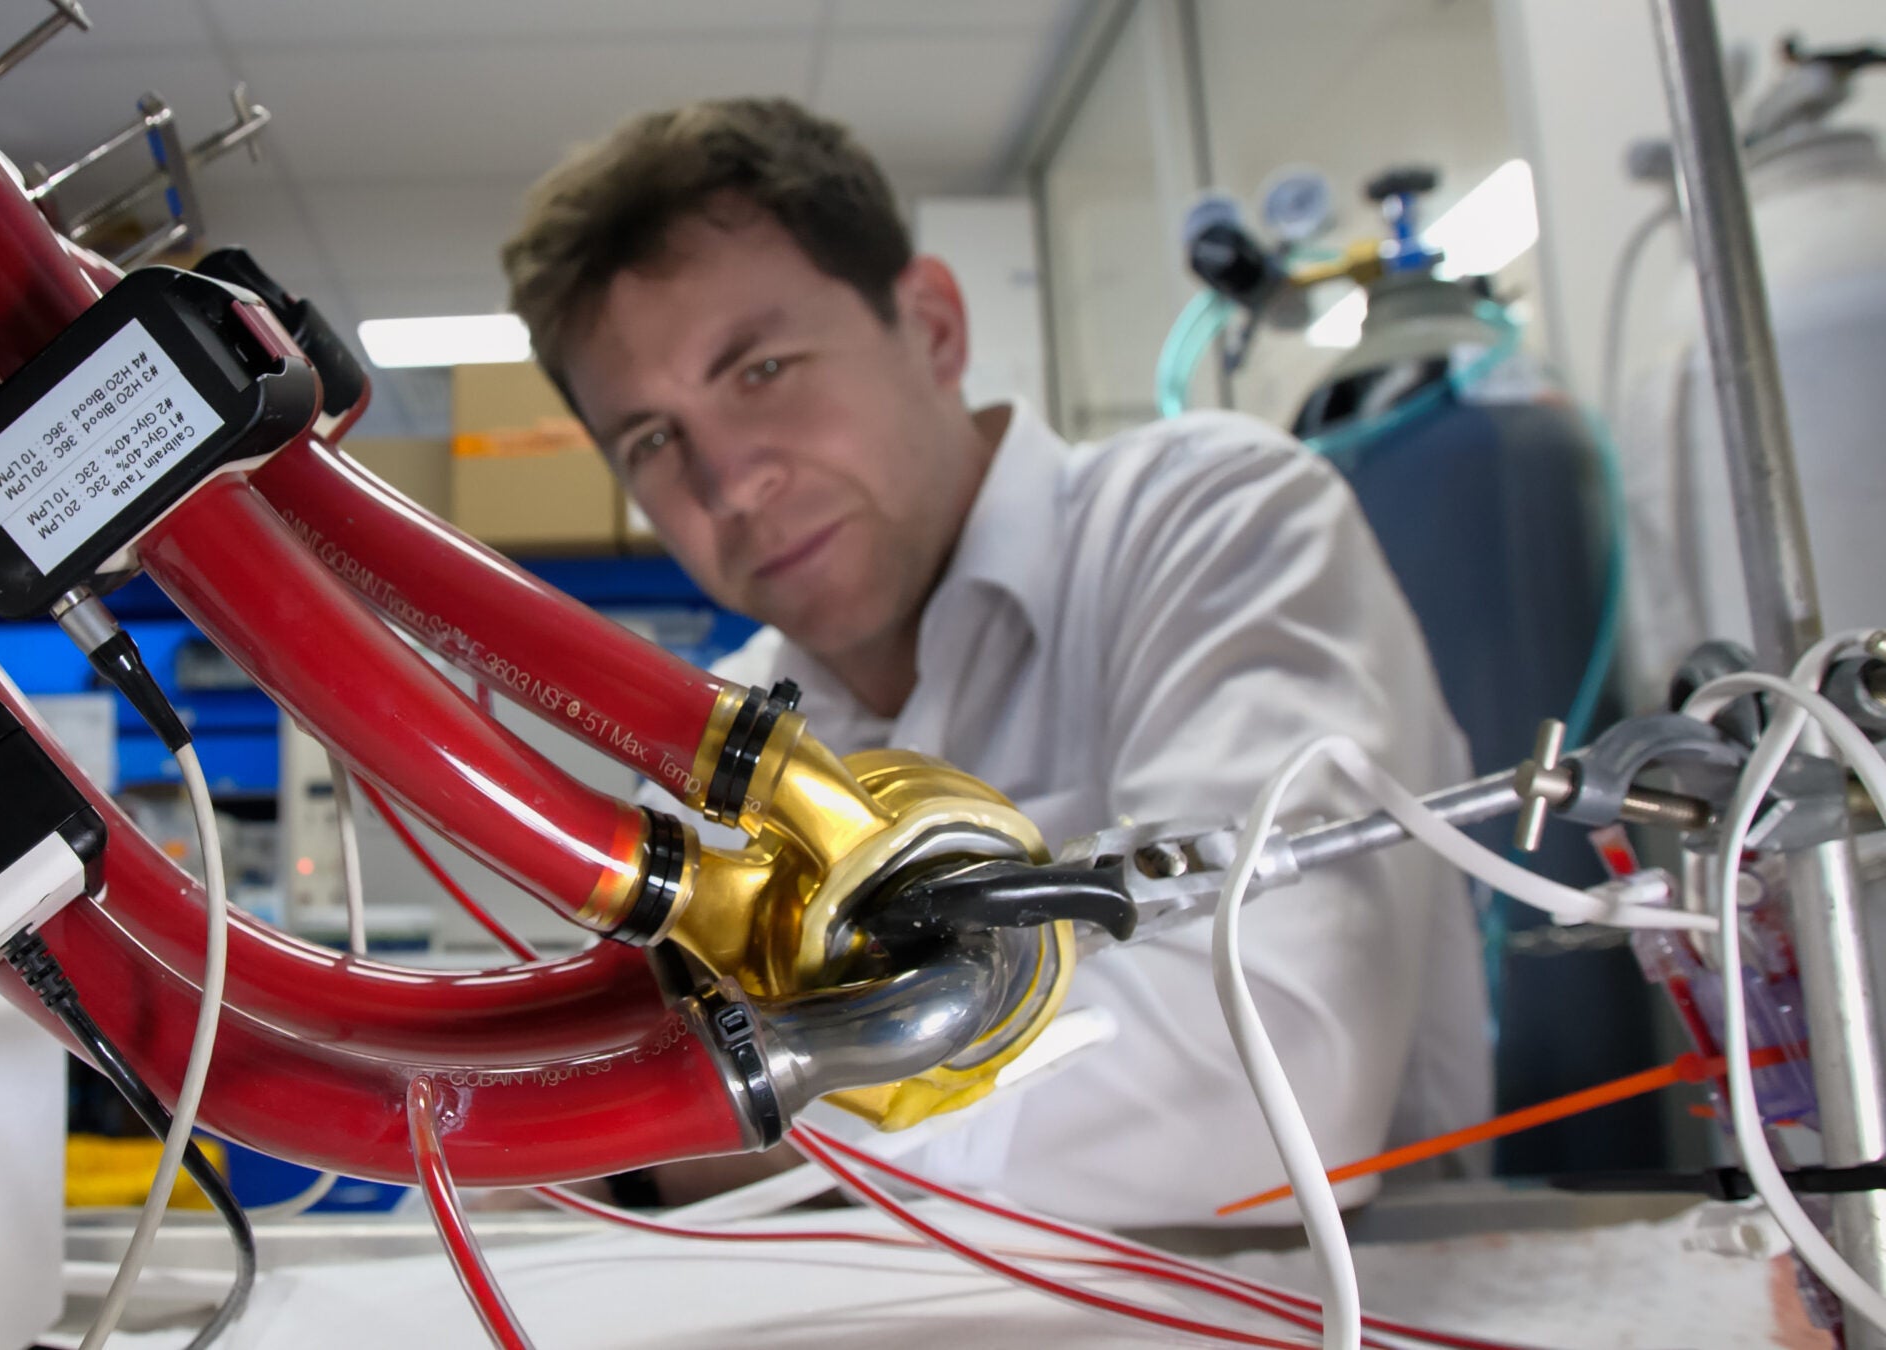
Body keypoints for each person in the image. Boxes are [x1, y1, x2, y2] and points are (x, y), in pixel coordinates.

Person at [499, 97, 1490, 1226]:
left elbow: (1276, 1076)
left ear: (930, 327)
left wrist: (677, 1137)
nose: (730, 481)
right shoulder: (702, 768)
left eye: (761, 369)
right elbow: (541, 1157)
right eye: (654, 439)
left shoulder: (1214, 523)